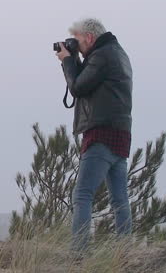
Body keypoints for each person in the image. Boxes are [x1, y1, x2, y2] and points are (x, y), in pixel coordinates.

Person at [55, 17, 133, 251]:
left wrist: (68, 61)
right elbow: (88, 82)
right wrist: (75, 59)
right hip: (120, 134)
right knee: (119, 199)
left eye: (77, 40)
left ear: (89, 37)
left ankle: (78, 254)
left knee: (82, 194)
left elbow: (78, 87)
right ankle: (124, 254)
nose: (75, 45)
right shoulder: (116, 53)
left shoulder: (102, 56)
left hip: (101, 133)